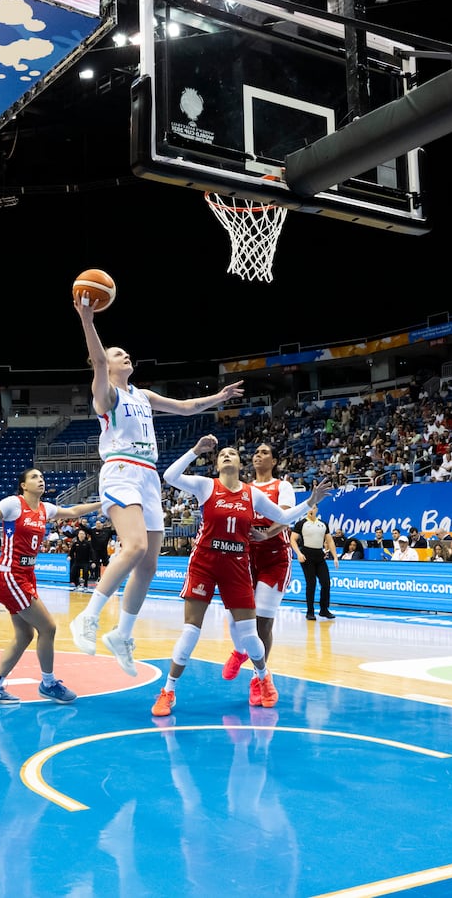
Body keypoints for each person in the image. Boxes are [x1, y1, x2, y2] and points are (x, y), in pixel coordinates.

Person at [69, 300, 244, 677]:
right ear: (106, 363)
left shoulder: (142, 396)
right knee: (134, 546)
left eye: (126, 353)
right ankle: (88, 616)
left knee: (148, 564)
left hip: (148, 476)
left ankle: (122, 634)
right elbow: (98, 362)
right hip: (120, 472)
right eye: (118, 353)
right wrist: (87, 319)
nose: (125, 355)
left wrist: (219, 397)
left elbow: (184, 407)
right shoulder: (106, 396)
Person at [152, 434, 327, 716]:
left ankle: (263, 678)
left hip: (236, 564)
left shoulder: (251, 494)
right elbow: (170, 475)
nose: (227, 456)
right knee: (190, 631)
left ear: (239, 463)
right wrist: (195, 450)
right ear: (217, 464)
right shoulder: (205, 485)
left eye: (232, 453)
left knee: (249, 633)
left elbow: (283, 518)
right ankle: (168, 691)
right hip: (205, 563)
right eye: (223, 454)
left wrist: (310, 503)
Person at [0, 468, 101, 704]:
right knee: (48, 628)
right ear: (23, 485)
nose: (41, 479)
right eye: (34, 477)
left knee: (24, 635)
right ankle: (48, 683)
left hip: (26, 575)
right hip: (10, 575)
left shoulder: (45, 509)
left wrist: (101, 504)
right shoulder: (13, 504)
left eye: (42, 476)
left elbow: (73, 510)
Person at [219, 443, 297, 684]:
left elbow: (287, 517)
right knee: (235, 616)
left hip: (275, 557)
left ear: (274, 461)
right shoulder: (245, 489)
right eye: (256, 452)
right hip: (245, 557)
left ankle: (259, 677)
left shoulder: (282, 486)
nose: (258, 455)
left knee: (262, 619)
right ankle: (240, 651)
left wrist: (267, 534)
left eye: (265, 453)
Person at [289, 506, 339, 620]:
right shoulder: (301, 524)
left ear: (317, 510)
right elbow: (293, 540)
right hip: (307, 555)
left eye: (314, 508)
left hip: (319, 555)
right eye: (310, 507)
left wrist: (335, 557)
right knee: (311, 584)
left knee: (326, 583)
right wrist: (299, 554)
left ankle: (324, 609)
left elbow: (330, 540)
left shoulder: (323, 524)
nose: (312, 509)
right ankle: (310, 611)